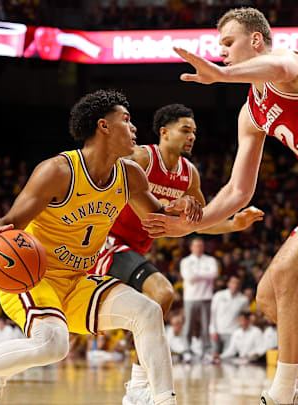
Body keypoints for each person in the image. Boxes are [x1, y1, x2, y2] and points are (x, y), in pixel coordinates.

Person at [142, 7, 298, 405]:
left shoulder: (295, 64)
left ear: (256, 40)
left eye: (229, 43)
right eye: (221, 48)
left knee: (285, 275)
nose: (223, 52)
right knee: (268, 296)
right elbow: (237, 192)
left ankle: (282, 394)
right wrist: (192, 225)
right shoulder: (251, 111)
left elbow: (278, 67)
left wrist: (221, 75)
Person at [0, 89, 201, 405]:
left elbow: (158, 221)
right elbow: (9, 221)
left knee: (148, 311)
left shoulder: (130, 175)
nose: (134, 129)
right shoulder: (58, 171)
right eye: (126, 120)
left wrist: (180, 206)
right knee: (54, 345)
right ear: (103, 126)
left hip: (78, 280)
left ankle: (165, 401)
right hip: (35, 276)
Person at [85, 103, 263, 405]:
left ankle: (137, 386)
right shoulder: (141, 157)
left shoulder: (189, 175)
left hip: (135, 249)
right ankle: (139, 386)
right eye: (186, 130)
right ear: (164, 133)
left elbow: (201, 222)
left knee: (145, 312)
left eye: (194, 131)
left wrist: (235, 223)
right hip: (108, 242)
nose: (192, 136)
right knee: (163, 293)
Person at [179, 237, 218, 360]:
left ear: (204, 247)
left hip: (206, 297)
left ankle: (206, 351)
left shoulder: (210, 260)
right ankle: (187, 351)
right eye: (196, 245)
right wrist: (205, 275)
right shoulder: (185, 261)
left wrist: (196, 275)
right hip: (190, 297)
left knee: (206, 326)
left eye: (201, 245)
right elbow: (188, 277)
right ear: (191, 247)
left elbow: (214, 273)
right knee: (188, 325)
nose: (199, 248)